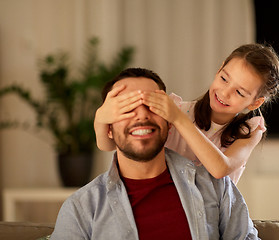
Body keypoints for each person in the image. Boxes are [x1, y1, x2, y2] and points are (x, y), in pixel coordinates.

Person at [50, 68, 259, 240]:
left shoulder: (217, 188)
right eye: (126, 108)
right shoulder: (81, 208)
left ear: (169, 123)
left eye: (152, 105)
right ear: (109, 128)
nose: (141, 114)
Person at [94, 43, 279, 184]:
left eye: (239, 92)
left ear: (255, 102)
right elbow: (109, 145)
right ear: (219, 69)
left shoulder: (250, 131)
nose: (225, 92)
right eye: (224, 78)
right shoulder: (179, 109)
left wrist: (178, 120)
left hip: (214, 214)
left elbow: (220, 168)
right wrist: (101, 117)